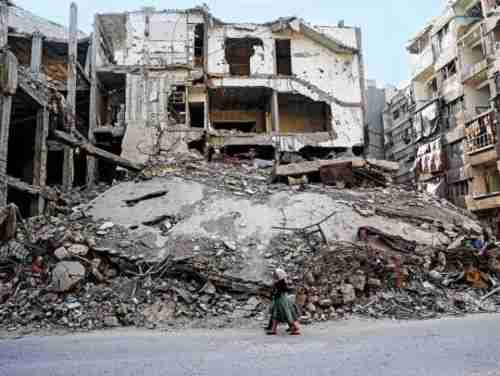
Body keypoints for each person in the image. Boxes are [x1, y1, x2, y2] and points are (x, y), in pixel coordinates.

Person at [266, 268, 301, 335]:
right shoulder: (282, 281)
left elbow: (280, 290)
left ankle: (295, 328)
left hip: (281, 299)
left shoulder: (279, 282)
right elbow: (286, 289)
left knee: (285, 314)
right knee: (277, 314)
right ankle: (274, 329)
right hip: (280, 299)